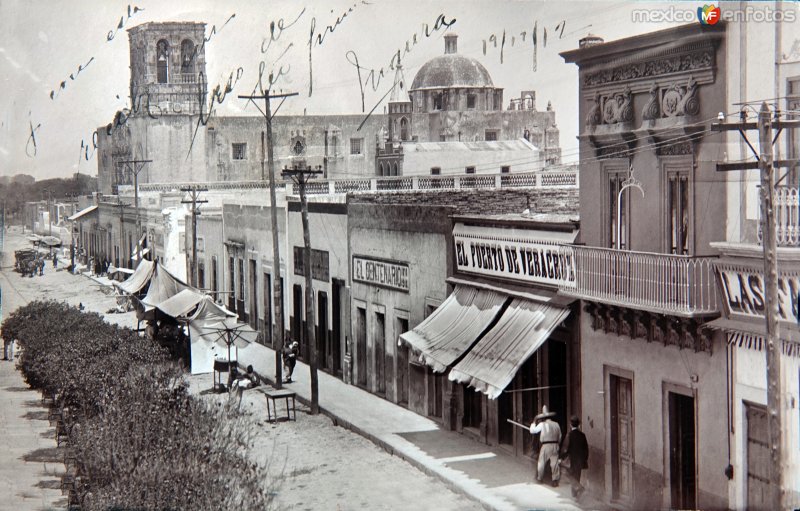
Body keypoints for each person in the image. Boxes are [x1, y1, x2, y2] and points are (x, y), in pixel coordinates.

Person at [530, 405, 562, 487]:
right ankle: (555, 480)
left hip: (546, 445)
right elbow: (560, 436)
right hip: (555, 444)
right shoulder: (556, 424)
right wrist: (557, 444)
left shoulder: (542, 424)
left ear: (543, 418)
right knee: (554, 463)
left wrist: (533, 422)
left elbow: (533, 431)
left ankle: (539, 478)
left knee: (541, 462)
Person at [560, 415, 589, 499]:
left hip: (571, 460)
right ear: (578, 424)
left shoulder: (569, 435)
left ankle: (578, 489)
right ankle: (575, 495)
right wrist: (584, 459)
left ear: (570, 425)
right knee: (577, 476)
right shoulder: (582, 435)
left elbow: (565, 448)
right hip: (580, 460)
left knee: (567, 474)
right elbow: (586, 448)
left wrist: (561, 457)